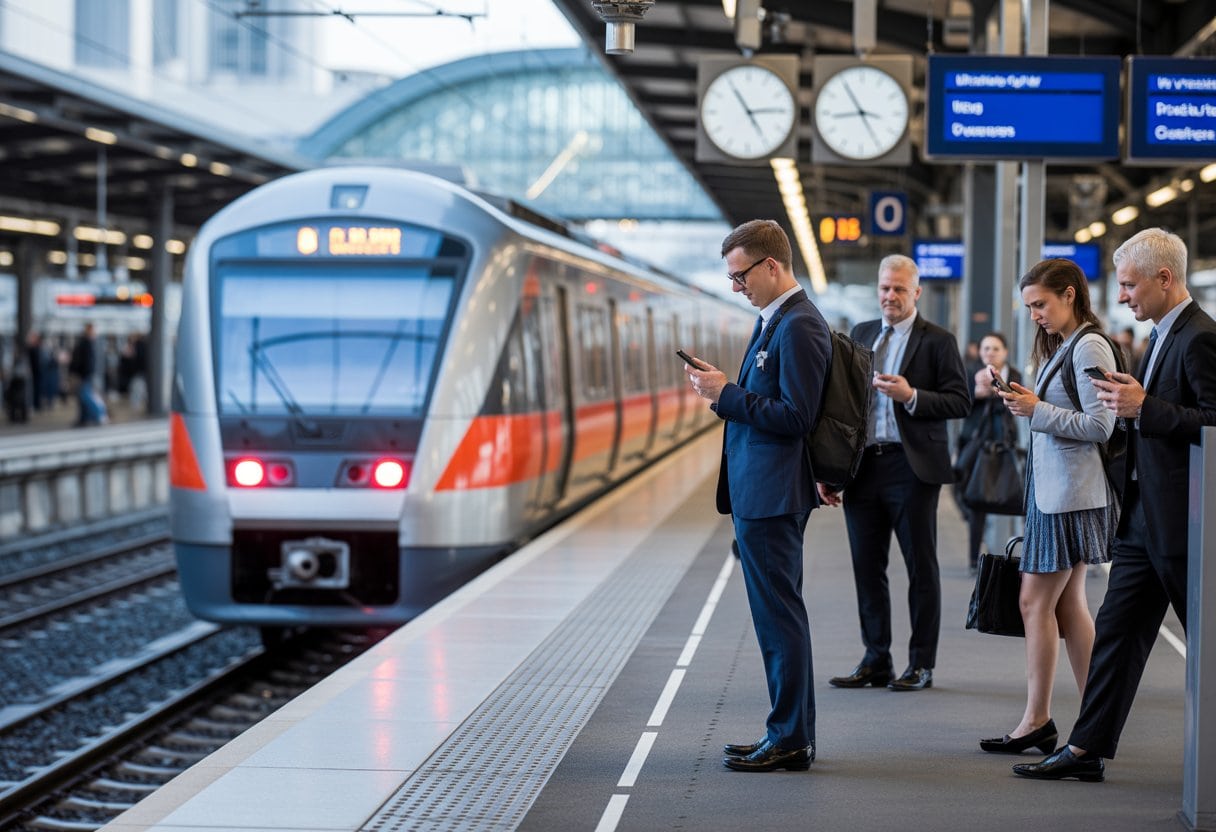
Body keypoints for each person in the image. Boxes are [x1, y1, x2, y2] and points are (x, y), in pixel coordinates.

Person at [1014, 228, 1216, 781]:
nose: (1122, 296)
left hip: (1182, 523)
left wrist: (1145, 405)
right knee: (1117, 636)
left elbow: (1213, 420)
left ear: (1164, 278)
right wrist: (1136, 406)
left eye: (1129, 285)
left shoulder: (1199, 337)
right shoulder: (1161, 337)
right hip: (1143, 521)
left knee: (1206, 642)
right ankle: (1086, 748)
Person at [682, 219, 832, 772]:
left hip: (772, 496)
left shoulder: (799, 327)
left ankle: (791, 738)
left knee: (779, 619)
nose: (735, 287)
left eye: (741, 275)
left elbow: (798, 416)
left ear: (772, 266)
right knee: (776, 618)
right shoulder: (777, 321)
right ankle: (786, 732)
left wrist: (727, 395)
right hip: (760, 492)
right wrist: (731, 390)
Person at [981, 259, 1119, 756]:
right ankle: (1094, 720)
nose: (1035, 314)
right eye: (1030, 306)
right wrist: (1029, 402)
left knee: (1033, 602)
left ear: (1069, 294)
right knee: (1066, 605)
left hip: (1069, 499)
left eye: (1040, 303)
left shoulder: (1089, 345)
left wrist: (1037, 410)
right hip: (1060, 494)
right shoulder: (1068, 345)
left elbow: (1101, 426)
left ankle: (1037, 720)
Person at [821, 254, 970, 692]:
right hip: (864, 467)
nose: (890, 296)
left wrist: (913, 396)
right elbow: (842, 404)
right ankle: (876, 658)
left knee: (921, 568)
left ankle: (921, 663)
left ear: (916, 293)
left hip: (912, 468)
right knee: (867, 567)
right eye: (885, 288)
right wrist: (830, 468)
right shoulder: (863, 334)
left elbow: (960, 401)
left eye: (899, 289)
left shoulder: (938, 341)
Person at [956, 331, 1022, 571]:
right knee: (975, 496)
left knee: (1014, 492)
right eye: (986, 348)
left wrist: (1001, 395)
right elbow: (960, 405)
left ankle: (1021, 550)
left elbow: (1018, 407)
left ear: (1005, 352)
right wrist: (977, 395)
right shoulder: (971, 372)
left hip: (1005, 442)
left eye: (995, 348)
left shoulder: (1013, 375)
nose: (990, 353)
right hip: (977, 441)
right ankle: (974, 557)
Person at [68, 323, 107, 426]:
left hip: (87, 375)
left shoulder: (88, 343)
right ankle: (84, 419)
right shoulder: (90, 343)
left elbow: (87, 361)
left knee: (85, 396)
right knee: (82, 397)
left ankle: (99, 414)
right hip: (87, 374)